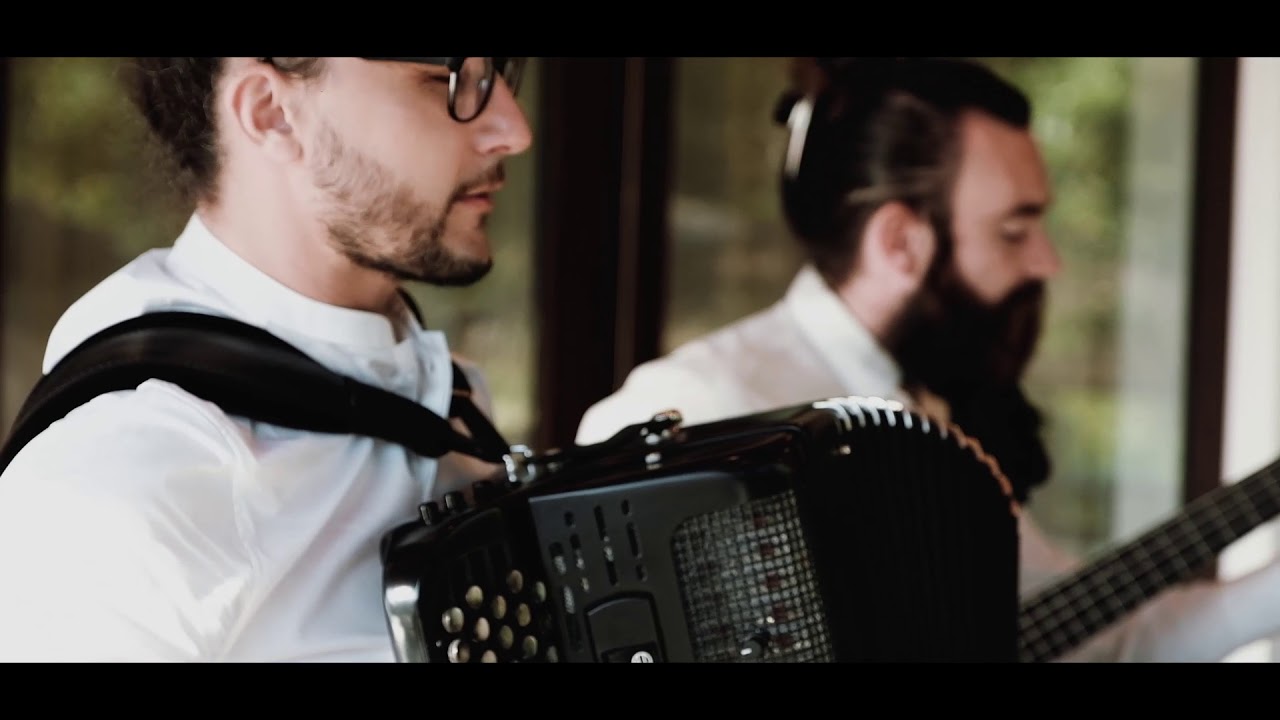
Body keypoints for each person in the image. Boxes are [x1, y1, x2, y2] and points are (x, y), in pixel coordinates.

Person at [576, 57, 1280, 662]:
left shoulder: (928, 421)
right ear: (900, 243)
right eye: (1015, 229)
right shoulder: (699, 407)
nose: (1048, 260)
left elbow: (1091, 636)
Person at [0, 57, 533, 661]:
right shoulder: (121, 480)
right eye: (446, 80)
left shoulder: (449, 398)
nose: (513, 129)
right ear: (271, 113)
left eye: (497, 74)